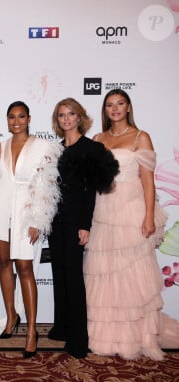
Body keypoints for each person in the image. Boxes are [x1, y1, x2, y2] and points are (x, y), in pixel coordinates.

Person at [84, 89, 179, 360]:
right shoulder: (98, 139)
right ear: (105, 110)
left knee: (132, 274)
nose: (115, 109)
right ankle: (106, 336)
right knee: (105, 274)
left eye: (120, 104)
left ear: (128, 107)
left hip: (130, 210)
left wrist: (148, 215)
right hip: (103, 211)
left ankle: (136, 336)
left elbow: (148, 181)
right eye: (110, 105)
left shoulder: (141, 137)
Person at [0, 101, 61, 358]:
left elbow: (48, 186)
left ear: (29, 118)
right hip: (1, 210)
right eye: (11, 117)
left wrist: (37, 220)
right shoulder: (2, 146)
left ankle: (32, 330)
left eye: (21, 116)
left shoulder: (44, 146)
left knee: (26, 268)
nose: (16, 121)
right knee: (4, 263)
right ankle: (11, 316)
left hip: (27, 213)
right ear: (6, 120)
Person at [48, 97, 118, 359]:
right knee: (60, 275)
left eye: (71, 114)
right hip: (56, 222)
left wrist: (85, 225)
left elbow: (91, 192)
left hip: (77, 221)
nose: (66, 119)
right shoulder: (56, 149)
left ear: (80, 117)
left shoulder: (92, 149)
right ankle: (62, 328)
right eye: (61, 115)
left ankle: (78, 340)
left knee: (74, 278)